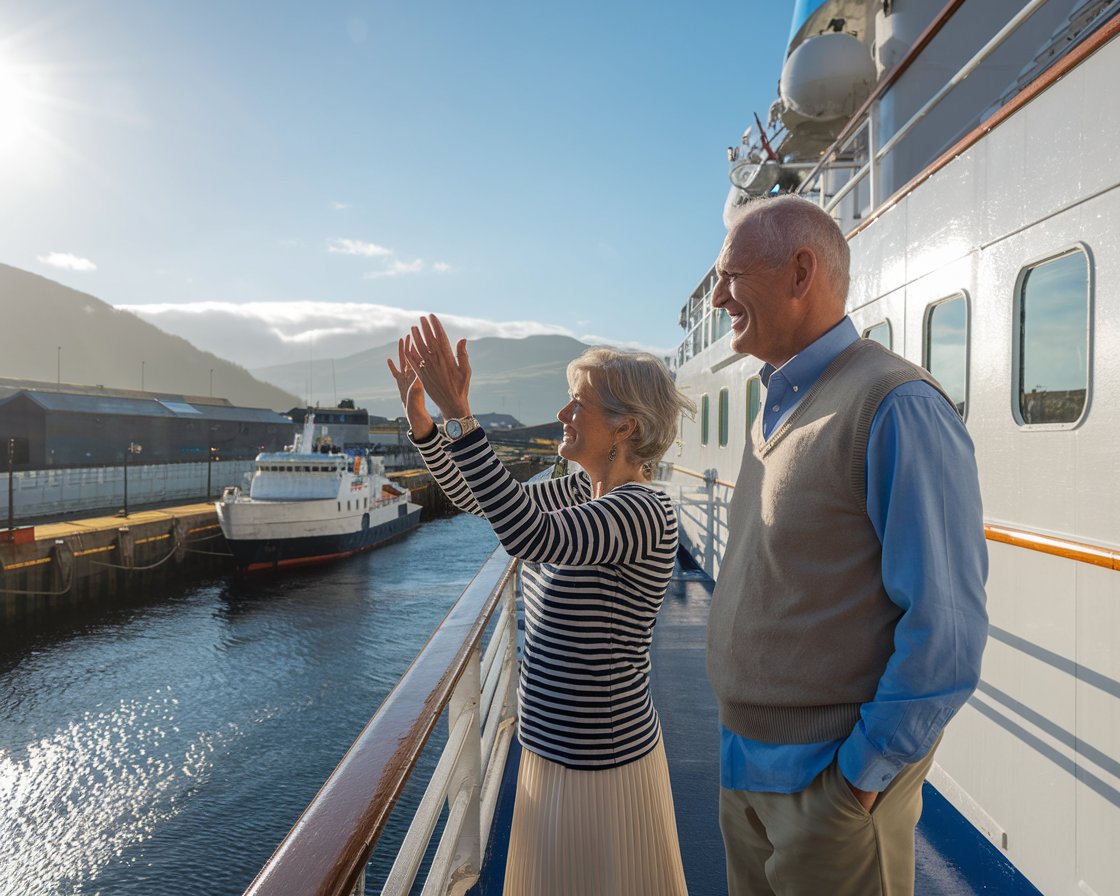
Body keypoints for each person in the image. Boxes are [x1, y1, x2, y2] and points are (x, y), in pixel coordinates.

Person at [706, 195, 989, 896]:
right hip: (746, 770)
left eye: (730, 275)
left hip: (826, 790)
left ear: (801, 272)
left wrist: (854, 786)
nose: (717, 297)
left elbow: (946, 633)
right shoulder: (780, 404)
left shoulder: (894, 404)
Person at [387, 314, 695, 896]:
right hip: (551, 746)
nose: (562, 415)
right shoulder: (582, 489)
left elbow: (529, 536)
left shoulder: (642, 512)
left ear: (624, 425)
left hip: (599, 761)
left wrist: (464, 417)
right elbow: (480, 500)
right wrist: (427, 427)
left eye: (577, 404)